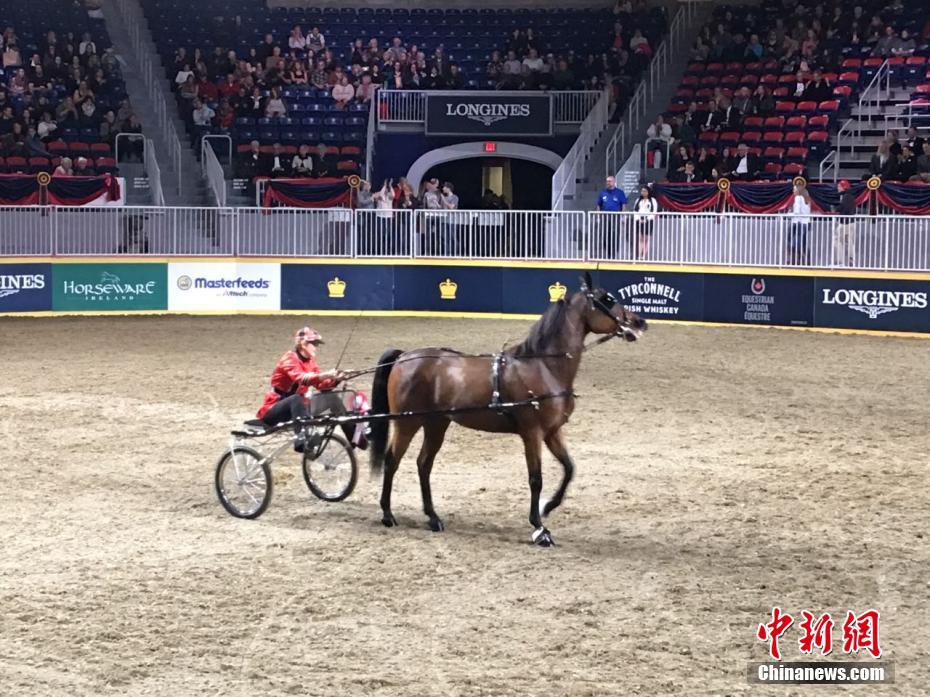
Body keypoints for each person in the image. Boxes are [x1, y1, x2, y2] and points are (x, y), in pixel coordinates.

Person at [256, 327, 361, 452]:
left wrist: (338, 378)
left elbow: (321, 385)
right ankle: (300, 440)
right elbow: (302, 378)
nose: (316, 347)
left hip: (299, 409)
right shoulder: (288, 359)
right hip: (274, 409)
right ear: (303, 344)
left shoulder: (311, 362)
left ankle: (354, 437)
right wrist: (327, 374)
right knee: (296, 399)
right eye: (314, 344)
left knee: (332, 398)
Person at [832, 179, 857, 267]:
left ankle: (840, 262)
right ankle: (851, 261)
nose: (838, 188)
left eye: (839, 187)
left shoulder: (846, 196)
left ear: (844, 187)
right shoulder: (849, 196)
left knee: (837, 240)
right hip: (849, 223)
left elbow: (844, 208)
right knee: (849, 242)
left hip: (845, 223)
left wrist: (836, 209)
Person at [631, 185, 658, 260]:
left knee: (646, 239)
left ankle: (644, 255)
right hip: (639, 220)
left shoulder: (652, 200)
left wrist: (647, 219)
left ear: (648, 192)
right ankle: (639, 255)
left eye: (645, 191)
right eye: (642, 191)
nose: (643, 193)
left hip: (648, 220)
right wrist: (638, 219)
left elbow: (654, 212)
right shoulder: (638, 200)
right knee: (640, 238)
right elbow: (635, 210)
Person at [788, 182, 812, 266]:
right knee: (803, 242)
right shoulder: (806, 198)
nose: (793, 191)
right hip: (806, 223)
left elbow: (797, 212)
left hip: (799, 222)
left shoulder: (798, 198)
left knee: (794, 242)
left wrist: (789, 214)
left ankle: (795, 260)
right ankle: (807, 260)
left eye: (794, 189)